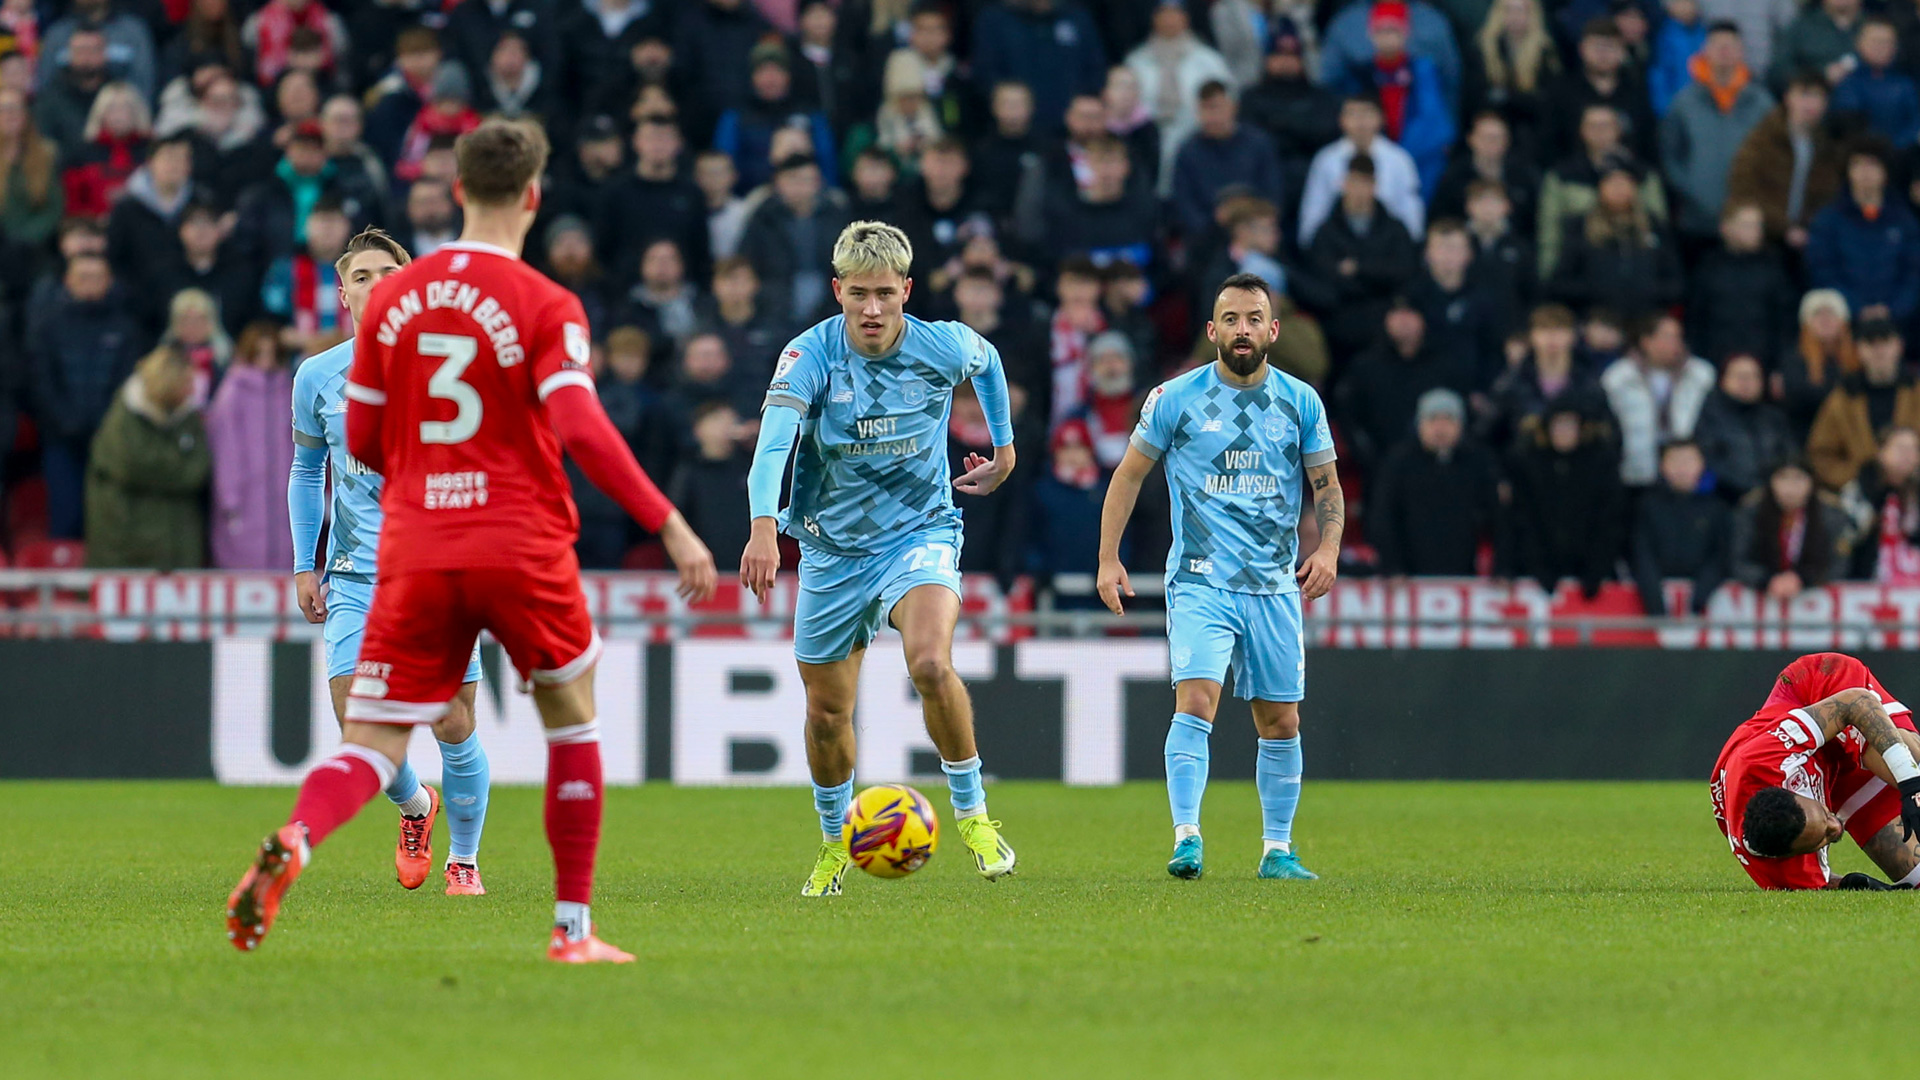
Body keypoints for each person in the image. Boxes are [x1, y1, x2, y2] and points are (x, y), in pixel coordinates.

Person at [227, 120, 717, 962]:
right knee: (572, 723)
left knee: (374, 740)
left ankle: (301, 836)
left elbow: (371, 444)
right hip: (519, 542)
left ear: (455, 191)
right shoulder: (545, 303)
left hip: (414, 548)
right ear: (532, 196)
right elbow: (582, 428)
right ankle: (572, 931)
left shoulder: (396, 315)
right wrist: (669, 523)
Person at [740, 220, 1020, 896]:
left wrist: (1005, 447)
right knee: (827, 714)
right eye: (859, 294)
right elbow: (773, 446)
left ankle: (974, 817)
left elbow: (988, 361)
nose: (872, 309)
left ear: (907, 292)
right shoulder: (809, 357)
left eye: (886, 295)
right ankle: (836, 844)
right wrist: (761, 527)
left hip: (918, 531)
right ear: (837, 290)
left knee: (929, 661)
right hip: (831, 549)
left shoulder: (941, 344)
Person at [1093, 272, 1342, 882]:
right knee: (1196, 701)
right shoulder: (1174, 398)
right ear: (1212, 330)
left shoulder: (1301, 401)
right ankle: (1187, 838)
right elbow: (1127, 476)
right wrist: (1108, 558)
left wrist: (1330, 550)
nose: (1242, 329)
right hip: (1202, 581)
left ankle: (1277, 850)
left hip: (1274, 586)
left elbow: (1326, 486)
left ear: (1272, 331)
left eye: (1254, 318)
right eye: (1230, 318)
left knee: (1280, 721)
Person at [284, 226, 490, 895]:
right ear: (343, 294)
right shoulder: (318, 376)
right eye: (361, 276)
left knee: (451, 718)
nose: (375, 284)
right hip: (355, 576)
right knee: (357, 722)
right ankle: (416, 807)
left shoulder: (453, 365)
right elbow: (305, 469)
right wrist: (301, 562)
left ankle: (465, 860)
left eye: (387, 272)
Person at [1710, 652, 1920, 890]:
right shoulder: (1780, 871)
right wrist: (1868, 887)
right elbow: (1823, 884)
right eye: (1821, 840)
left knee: (1905, 763)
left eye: (1824, 816)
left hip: (1819, 694)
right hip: (1833, 773)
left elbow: (1856, 703)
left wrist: (1912, 787)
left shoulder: (1764, 758)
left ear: (1791, 789)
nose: (1834, 827)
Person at [83, 345, 208, 570]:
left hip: (175, 543)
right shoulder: (125, 417)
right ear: (169, 382)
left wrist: (162, 467)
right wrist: (176, 465)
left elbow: (197, 471)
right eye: (187, 382)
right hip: (125, 541)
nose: (192, 390)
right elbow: (131, 466)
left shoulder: (188, 418)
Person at [1658, 21, 1774, 249]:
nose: (1724, 51)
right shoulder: (1683, 103)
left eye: (1730, 45)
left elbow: (1772, 156)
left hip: (1748, 222)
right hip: (1696, 221)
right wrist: (1691, 191)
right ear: (1704, 51)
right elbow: (1670, 155)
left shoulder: (1762, 103)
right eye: (1717, 45)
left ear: (1741, 52)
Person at [1367, 387, 1506, 577]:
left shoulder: (1478, 462)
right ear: (1419, 425)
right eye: (1433, 420)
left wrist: (1503, 567)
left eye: (1448, 420)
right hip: (1408, 576)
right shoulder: (1398, 463)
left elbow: (1499, 518)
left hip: (1463, 572)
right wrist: (1392, 566)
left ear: (1460, 425)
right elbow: (1383, 516)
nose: (1440, 428)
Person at [1506, 405, 1623, 595]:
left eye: (1569, 426)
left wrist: (1596, 570)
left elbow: (1609, 520)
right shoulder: (1529, 465)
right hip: (1538, 575)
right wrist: (1539, 568)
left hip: (1590, 574)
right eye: (1558, 426)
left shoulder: (1600, 466)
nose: (1563, 432)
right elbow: (1523, 520)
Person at [206, 320, 290, 571]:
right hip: (245, 500)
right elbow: (224, 450)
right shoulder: (232, 392)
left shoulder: (289, 389)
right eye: (260, 352)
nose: (266, 359)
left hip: (284, 498)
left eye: (271, 352)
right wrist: (229, 499)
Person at [1806, 141, 1920, 327]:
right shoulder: (1828, 220)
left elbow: (1913, 273)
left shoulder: (1904, 220)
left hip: (1900, 325)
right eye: (1857, 164)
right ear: (1847, 171)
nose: (1865, 171)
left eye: (1873, 164)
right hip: (1844, 323)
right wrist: (1855, 307)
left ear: (1886, 172)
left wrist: (1894, 309)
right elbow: (1823, 271)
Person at [1725, 73, 1843, 249]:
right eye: (1804, 95)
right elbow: (1743, 189)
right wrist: (1783, 228)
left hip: (1806, 240)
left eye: (1818, 96)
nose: (1810, 103)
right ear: (1788, 98)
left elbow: (1826, 195)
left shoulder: (1826, 147)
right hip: (1763, 238)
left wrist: (1809, 228)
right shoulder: (1763, 139)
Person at [1807, 318, 1920, 489]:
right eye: (1871, 344)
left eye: (1885, 342)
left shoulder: (1916, 391)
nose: (1879, 351)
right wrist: (1856, 478)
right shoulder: (1842, 398)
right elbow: (1821, 452)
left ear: (1899, 345)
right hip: (1860, 497)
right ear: (1858, 349)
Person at [1296, 95, 1423, 246]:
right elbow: (1315, 208)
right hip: (1338, 244)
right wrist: (1310, 247)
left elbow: (1409, 210)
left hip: (1387, 245)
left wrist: (1412, 245)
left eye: (1367, 114)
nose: (1360, 122)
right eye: (1353, 114)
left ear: (1381, 118)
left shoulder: (1399, 160)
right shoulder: (1325, 160)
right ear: (1341, 120)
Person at [1169, 81, 1284, 241]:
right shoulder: (1188, 151)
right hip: (1207, 238)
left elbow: (1273, 195)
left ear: (1234, 107)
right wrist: (1213, 223)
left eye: (1217, 107)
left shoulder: (1258, 144)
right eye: (1205, 108)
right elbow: (1184, 205)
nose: (1211, 116)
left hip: (1257, 232)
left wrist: (1247, 216)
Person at [1685, 202, 1793, 364]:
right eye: (1748, 225)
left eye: (1759, 225)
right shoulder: (1709, 266)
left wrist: (1780, 365)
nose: (1756, 231)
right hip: (1715, 359)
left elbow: (1785, 321)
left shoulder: (1773, 265)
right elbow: (1696, 318)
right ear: (1726, 228)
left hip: (1762, 360)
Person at [1630, 439, 1729, 614]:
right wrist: (1654, 599)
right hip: (1656, 597)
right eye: (1674, 460)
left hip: (1703, 602)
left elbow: (1720, 555)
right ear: (1662, 465)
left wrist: (1700, 596)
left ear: (1702, 464)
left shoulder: (1717, 508)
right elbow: (1641, 553)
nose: (1681, 468)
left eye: (1688, 460)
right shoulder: (1647, 505)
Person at [1731, 460, 1848, 599]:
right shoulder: (1751, 512)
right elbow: (1738, 560)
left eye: (1799, 478)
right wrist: (1767, 580)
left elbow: (1839, 563)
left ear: (1812, 483)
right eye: (1783, 478)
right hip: (1759, 599)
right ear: (1771, 482)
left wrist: (1803, 580)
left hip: (1814, 601)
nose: (1790, 487)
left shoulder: (1830, 515)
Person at [1695, 354, 1796, 500]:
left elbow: (1790, 456)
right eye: (1740, 376)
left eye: (1753, 376)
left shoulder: (1774, 418)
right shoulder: (1710, 416)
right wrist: (1750, 489)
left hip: (1775, 498)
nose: (1746, 382)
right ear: (1723, 380)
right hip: (1726, 498)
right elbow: (1709, 460)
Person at [668, 401, 752, 571]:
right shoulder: (688, 472)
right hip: (703, 564)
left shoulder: (751, 467)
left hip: (746, 564)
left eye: (731, 421)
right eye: (717, 421)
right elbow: (677, 516)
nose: (725, 427)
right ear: (698, 430)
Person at [1841, 426, 1920, 582]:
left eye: (1914, 449)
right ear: (1881, 451)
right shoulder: (1858, 489)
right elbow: (1847, 539)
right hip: (1863, 578)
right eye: (1901, 448)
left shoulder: (1915, 494)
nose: (1908, 456)